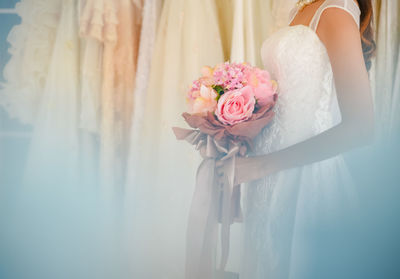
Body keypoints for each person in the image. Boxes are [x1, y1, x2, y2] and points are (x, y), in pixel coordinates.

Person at [216, 0, 376, 278]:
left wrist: (263, 165)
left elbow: (361, 127)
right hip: (265, 180)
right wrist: (241, 134)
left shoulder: (336, 9)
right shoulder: (302, 8)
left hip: (302, 180)